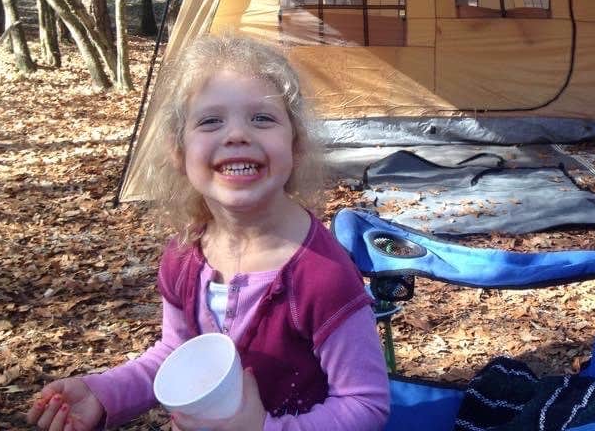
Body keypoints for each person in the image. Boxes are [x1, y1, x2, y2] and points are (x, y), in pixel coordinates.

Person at [27, 34, 390, 431]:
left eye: (262, 118)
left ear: (296, 144)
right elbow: (177, 352)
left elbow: (364, 404)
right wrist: (103, 393)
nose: (237, 134)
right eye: (210, 121)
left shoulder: (322, 276)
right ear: (178, 151)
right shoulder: (184, 255)